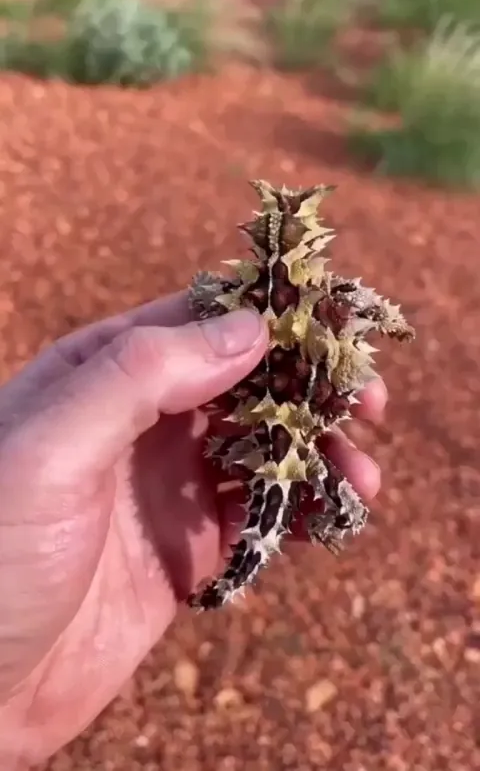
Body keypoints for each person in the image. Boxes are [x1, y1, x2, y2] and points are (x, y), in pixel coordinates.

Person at [0, 291, 387, 767]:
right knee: (311, 501)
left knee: (320, 500)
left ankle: (234, 575)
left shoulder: (258, 297)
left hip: (277, 412)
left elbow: (215, 293)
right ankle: (231, 578)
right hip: (278, 412)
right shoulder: (299, 299)